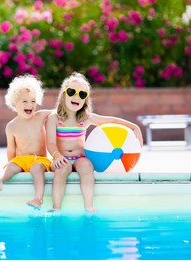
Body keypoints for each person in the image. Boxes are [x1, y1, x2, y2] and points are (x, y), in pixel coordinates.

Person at [46, 72, 143, 212]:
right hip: (60, 158)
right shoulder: (54, 118)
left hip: (80, 157)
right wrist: (56, 155)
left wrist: (134, 127)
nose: (76, 97)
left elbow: (111, 120)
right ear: (63, 94)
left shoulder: (86, 118)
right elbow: (50, 142)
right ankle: (56, 207)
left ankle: (88, 206)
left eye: (82, 94)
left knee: (87, 167)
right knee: (62, 169)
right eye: (72, 92)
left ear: (86, 99)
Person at [0, 74, 52, 210]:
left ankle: (38, 198)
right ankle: (0, 180)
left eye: (33, 101)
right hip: (21, 160)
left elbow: (59, 112)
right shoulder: (11, 126)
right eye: (24, 101)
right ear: (14, 103)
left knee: (36, 169)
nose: (30, 105)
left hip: (40, 159)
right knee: (10, 166)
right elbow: (11, 150)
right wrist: (11, 164)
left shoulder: (41, 116)